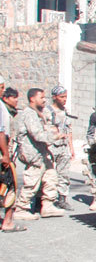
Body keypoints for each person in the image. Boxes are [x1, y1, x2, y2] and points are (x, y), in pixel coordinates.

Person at [13, 88, 64, 220]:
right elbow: (37, 135)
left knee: (51, 176)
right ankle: (21, 208)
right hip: (33, 155)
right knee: (32, 181)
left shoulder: (38, 113)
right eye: (41, 97)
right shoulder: (29, 114)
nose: (44, 100)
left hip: (42, 154)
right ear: (32, 99)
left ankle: (48, 205)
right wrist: (55, 136)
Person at [44, 85, 75, 210]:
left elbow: (69, 130)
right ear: (54, 97)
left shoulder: (65, 111)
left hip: (63, 147)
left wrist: (71, 148)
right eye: (62, 97)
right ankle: (44, 200)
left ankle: (62, 199)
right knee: (48, 174)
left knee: (64, 174)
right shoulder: (47, 111)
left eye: (65, 97)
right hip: (51, 147)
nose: (64, 99)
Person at [0, 77, 25, 231]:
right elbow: (1, 133)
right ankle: (8, 222)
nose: (2, 90)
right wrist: (6, 155)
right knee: (10, 185)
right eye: (1, 87)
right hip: (3, 153)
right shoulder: (1, 108)